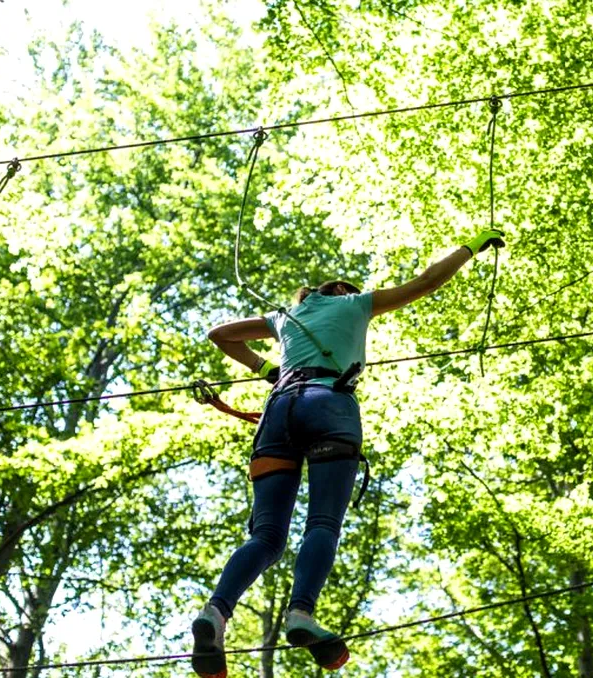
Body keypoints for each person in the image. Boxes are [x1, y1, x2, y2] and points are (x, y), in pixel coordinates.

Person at [191, 229, 504, 677]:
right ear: (340, 290)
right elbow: (426, 283)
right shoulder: (352, 304)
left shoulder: (287, 317)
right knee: (321, 523)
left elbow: (220, 334)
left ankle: (215, 613)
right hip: (329, 406)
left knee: (266, 538)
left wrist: (268, 369)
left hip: (278, 411)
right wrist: (473, 245)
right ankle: (300, 614)